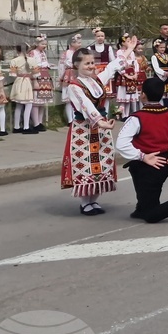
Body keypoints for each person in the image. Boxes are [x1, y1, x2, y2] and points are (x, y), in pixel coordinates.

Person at [61, 38, 135, 215]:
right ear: (76, 65)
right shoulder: (74, 86)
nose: (91, 66)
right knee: (85, 163)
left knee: (102, 163)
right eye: (87, 63)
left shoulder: (97, 81)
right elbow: (86, 105)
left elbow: (112, 67)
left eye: (92, 63)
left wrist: (128, 49)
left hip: (101, 129)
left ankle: (94, 200)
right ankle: (85, 203)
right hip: (83, 130)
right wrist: (100, 121)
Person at [116, 78, 168, 224]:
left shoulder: (137, 118)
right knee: (148, 186)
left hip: (149, 163)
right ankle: (141, 208)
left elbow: (121, 143)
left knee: (151, 215)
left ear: (142, 95)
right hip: (167, 161)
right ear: (162, 95)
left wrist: (142, 156)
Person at [9, 44, 37, 134]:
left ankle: (16, 126)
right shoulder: (32, 60)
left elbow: (13, 75)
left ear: (17, 50)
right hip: (27, 82)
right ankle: (26, 127)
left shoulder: (13, 61)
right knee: (28, 104)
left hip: (18, 81)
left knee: (18, 105)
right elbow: (36, 74)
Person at [28, 35, 54, 132]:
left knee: (43, 102)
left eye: (45, 44)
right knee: (36, 102)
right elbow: (31, 65)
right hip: (37, 76)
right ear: (37, 44)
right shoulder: (32, 53)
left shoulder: (43, 53)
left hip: (45, 75)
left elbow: (44, 63)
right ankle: (35, 123)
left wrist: (48, 65)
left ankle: (40, 122)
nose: (44, 46)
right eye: (42, 44)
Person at [115, 34, 141, 120]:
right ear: (123, 43)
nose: (130, 42)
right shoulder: (119, 52)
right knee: (124, 97)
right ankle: (123, 115)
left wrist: (136, 73)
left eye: (130, 41)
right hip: (124, 75)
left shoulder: (132, 52)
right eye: (128, 41)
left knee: (132, 96)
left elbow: (135, 63)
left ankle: (133, 113)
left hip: (132, 75)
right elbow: (118, 64)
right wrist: (125, 74)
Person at [59, 34, 83, 125]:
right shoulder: (67, 53)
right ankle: (70, 120)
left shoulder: (80, 53)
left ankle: (77, 118)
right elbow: (61, 66)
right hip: (69, 75)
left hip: (78, 74)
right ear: (72, 43)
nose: (80, 44)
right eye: (78, 42)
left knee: (77, 97)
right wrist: (61, 77)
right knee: (68, 99)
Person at [88, 28, 116, 100]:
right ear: (95, 37)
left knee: (106, 95)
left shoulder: (108, 48)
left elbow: (112, 61)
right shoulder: (90, 48)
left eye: (102, 36)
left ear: (104, 37)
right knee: (94, 94)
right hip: (95, 72)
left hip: (105, 72)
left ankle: (105, 110)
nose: (100, 38)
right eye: (98, 36)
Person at [151, 40, 168, 111]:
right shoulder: (154, 57)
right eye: (161, 47)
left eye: (164, 47)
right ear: (156, 48)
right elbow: (156, 68)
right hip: (159, 77)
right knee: (161, 95)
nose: (163, 49)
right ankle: (161, 110)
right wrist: (164, 73)